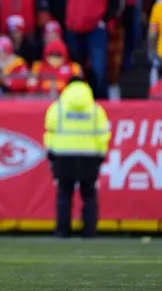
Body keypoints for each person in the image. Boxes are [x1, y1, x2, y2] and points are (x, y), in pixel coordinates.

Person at [44, 77, 110, 238]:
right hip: (89, 155)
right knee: (89, 195)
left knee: (64, 194)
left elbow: (49, 131)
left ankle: (63, 230)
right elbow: (103, 134)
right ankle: (89, 231)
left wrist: (51, 153)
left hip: (63, 154)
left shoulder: (57, 108)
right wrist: (101, 155)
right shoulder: (96, 109)